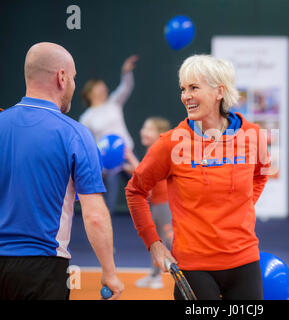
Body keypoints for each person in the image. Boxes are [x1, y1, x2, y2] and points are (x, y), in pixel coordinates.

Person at [125, 55, 270, 300]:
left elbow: (260, 175)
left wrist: (242, 207)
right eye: (183, 89)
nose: (185, 96)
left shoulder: (253, 135)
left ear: (219, 92)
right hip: (193, 268)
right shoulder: (171, 142)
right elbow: (135, 191)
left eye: (194, 88)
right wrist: (154, 242)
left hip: (245, 262)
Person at [0, 42, 124, 300]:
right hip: (41, 268)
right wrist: (109, 272)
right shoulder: (75, 134)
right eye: (74, 78)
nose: (74, 85)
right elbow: (96, 216)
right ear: (62, 77)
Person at [79, 55, 139, 215]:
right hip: (107, 161)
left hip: (127, 153)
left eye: (103, 86)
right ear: (90, 92)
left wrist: (126, 72)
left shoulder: (113, 103)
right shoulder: (86, 117)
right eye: (99, 86)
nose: (103, 88)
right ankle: (104, 233)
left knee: (143, 188)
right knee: (108, 203)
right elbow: (87, 143)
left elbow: (126, 87)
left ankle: (156, 226)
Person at [123, 117, 173, 289]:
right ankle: (155, 276)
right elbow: (142, 174)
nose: (143, 131)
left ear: (159, 134)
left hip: (165, 205)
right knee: (156, 242)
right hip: (158, 204)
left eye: (148, 129)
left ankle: (190, 277)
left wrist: (129, 157)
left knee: (171, 241)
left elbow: (144, 175)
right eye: (144, 128)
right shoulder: (151, 151)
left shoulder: (158, 150)